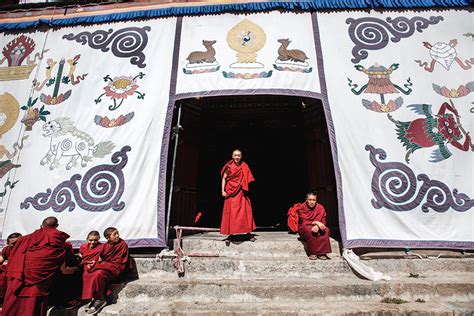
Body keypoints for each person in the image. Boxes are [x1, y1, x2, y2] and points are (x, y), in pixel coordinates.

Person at [2, 217, 75, 316]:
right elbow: (64, 262)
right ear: (57, 226)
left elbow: (14, 259)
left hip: (19, 277)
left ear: (41, 226)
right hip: (39, 281)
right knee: (32, 306)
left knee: (14, 305)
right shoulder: (58, 238)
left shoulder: (24, 239)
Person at [82, 227, 130, 314]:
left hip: (116, 270)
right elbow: (101, 258)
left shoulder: (122, 245)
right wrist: (95, 263)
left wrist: (100, 265)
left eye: (117, 233)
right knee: (87, 273)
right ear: (108, 238)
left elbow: (118, 263)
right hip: (107, 267)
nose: (117, 236)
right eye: (114, 234)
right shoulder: (105, 246)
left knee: (99, 274)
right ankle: (94, 297)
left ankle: (100, 299)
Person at [220, 149, 256, 244]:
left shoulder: (244, 166)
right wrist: (223, 190)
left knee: (246, 211)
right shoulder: (229, 166)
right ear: (232, 156)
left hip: (241, 192)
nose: (237, 157)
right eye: (235, 155)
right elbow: (224, 178)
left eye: (238, 155)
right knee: (231, 213)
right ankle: (230, 234)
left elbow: (248, 178)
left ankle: (248, 233)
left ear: (241, 156)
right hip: (231, 192)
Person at [295, 192, 332, 260]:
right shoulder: (302, 207)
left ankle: (322, 253)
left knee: (326, 230)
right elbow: (304, 221)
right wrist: (315, 222)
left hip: (318, 225)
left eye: (314, 200)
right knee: (309, 231)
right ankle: (313, 253)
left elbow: (323, 220)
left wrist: (318, 225)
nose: (312, 202)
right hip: (305, 226)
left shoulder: (320, 207)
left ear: (316, 200)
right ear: (306, 200)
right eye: (310, 200)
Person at [0, 233, 22, 301]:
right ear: (8, 243)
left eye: (17, 243)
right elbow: (1, 259)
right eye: (12, 243)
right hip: (10, 272)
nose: (15, 245)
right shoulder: (7, 249)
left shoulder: (25, 249)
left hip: (20, 272)